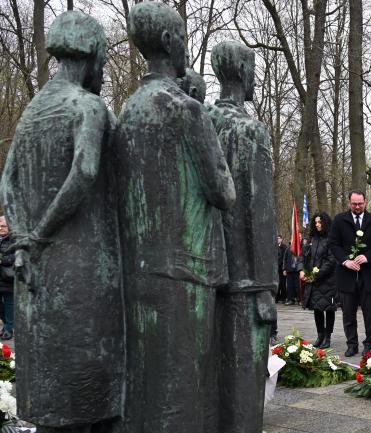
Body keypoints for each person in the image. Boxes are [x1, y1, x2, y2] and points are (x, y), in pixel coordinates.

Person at [0, 11, 123, 433]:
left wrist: (21, 240)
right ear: (91, 55)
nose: (104, 69)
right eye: (103, 58)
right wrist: (38, 234)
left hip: (35, 271)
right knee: (89, 392)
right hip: (83, 268)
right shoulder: (86, 106)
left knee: (52, 395)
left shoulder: (32, 112)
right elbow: (85, 172)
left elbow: (8, 181)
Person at [115, 3, 236, 431]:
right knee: (182, 386)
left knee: (146, 381)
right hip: (186, 269)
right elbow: (224, 191)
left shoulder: (128, 110)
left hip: (138, 267)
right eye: (182, 37)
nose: (186, 46)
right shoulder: (186, 109)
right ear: (168, 42)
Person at [207, 40, 277, 433]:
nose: (255, 77)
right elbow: (259, 213)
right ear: (241, 73)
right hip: (244, 282)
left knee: (209, 380)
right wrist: (266, 286)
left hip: (204, 275)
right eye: (252, 67)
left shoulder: (199, 120)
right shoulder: (250, 131)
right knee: (243, 387)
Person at [329, 190, 371, 357]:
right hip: (346, 276)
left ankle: (369, 343)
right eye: (354, 204)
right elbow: (333, 244)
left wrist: (367, 257)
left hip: (369, 276)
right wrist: (346, 261)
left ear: (365, 202)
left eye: (360, 203)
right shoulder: (339, 220)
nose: (357, 206)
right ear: (349, 203)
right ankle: (351, 343)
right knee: (348, 313)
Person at [298, 212, 337, 348]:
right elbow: (302, 257)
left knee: (329, 309)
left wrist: (316, 275)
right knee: (317, 309)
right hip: (313, 281)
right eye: (315, 223)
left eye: (320, 222)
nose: (317, 225)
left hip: (327, 281)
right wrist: (302, 270)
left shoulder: (331, 240)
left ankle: (328, 337)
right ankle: (320, 335)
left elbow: (331, 261)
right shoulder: (310, 240)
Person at [0, 216, 14, 340]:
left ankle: (9, 329)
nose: (1, 228)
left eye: (3, 226)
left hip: (7, 277)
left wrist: (2, 259)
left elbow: (15, 256)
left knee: (9, 303)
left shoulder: (13, 240)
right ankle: (7, 324)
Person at [277, 235, 288, 303]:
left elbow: (284, 258)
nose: (278, 239)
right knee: (277, 283)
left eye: (279, 238)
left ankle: (284, 297)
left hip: (282, 267)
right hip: (276, 268)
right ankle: (277, 297)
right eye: (277, 238)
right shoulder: (274, 246)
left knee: (283, 283)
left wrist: (284, 268)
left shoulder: (284, 247)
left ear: (281, 239)